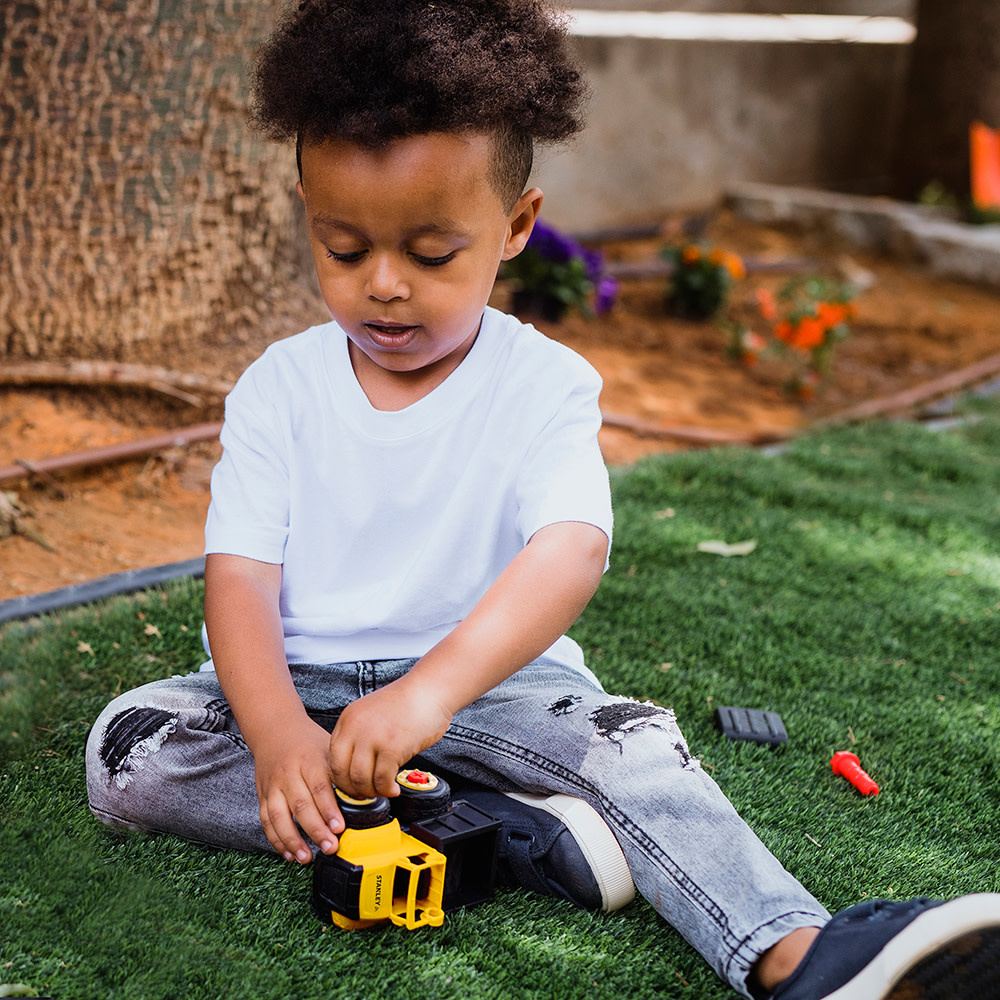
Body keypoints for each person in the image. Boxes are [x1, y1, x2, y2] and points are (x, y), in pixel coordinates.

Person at [85, 2, 1000, 997]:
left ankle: (795, 953)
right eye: (343, 248)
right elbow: (239, 578)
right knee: (128, 753)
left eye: (431, 253)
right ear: (308, 211)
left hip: (491, 692)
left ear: (516, 224)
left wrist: (428, 691)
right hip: (298, 685)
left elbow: (569, 548)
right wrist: (273, 735)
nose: (383, 285)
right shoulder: (277, 386)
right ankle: (506, 831)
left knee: (634, 749)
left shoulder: (544, 384)